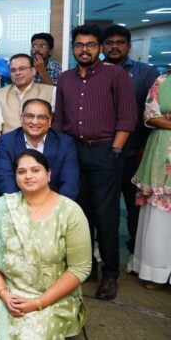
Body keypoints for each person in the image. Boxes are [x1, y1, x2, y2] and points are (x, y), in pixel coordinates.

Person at [0, 150, 91, 340]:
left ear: (48, 174)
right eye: (22, 171)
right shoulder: (4, 206)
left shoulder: (70, 212)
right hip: (8, 288)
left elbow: (80, 268)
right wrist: (3, 293)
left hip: (51, 294)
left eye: (35, 170)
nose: (28, 176)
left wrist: (38, 303)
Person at [53, 24, 137, 300]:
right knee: (78, 213)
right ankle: (85, 266)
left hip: (105, 152)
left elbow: (127, 117)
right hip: (72, 152)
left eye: (90, 45)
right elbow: (59, 120)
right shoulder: (65, 78)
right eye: (79, 45)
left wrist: (115, 151)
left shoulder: (116, 75)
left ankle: (110, 274)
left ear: (99, 48)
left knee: (106, 215)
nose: (84, 50)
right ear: (73, 49)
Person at [102, 24, 161, 256]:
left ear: (129, 46)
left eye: (120, 43)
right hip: (101, 152)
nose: (114, 47)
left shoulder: (146, 73)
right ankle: (101, 251)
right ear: (102, 46)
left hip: (134, 152)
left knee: (134, 204)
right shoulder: (93, 72)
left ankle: (137, 253)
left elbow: (152, 113)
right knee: (102, 205)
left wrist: (145, 147)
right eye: (109, 43)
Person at [129, 72, 171, 289]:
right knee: (159, 214)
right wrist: (162, 119)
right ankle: (156, 271)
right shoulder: (162, 81)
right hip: (161, 150)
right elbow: (150, 117)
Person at [0, 99, 79, 199]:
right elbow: (4, 179)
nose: (35, 122)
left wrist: (57, 206)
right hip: (17, 202)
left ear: (49, 121)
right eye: (29, 116)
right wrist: (21, 206)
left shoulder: (65, 143)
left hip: (54, 202)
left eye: (41, 117)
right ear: (21, 119)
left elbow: (70, 182)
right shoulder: (6, 142)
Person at [0, 54, 55, 136]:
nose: (17, 73)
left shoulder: (51, 91)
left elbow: (57, 123)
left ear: (33, 71)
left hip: (41, 143)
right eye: (13, 70)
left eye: (22, 69)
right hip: (8, 143)